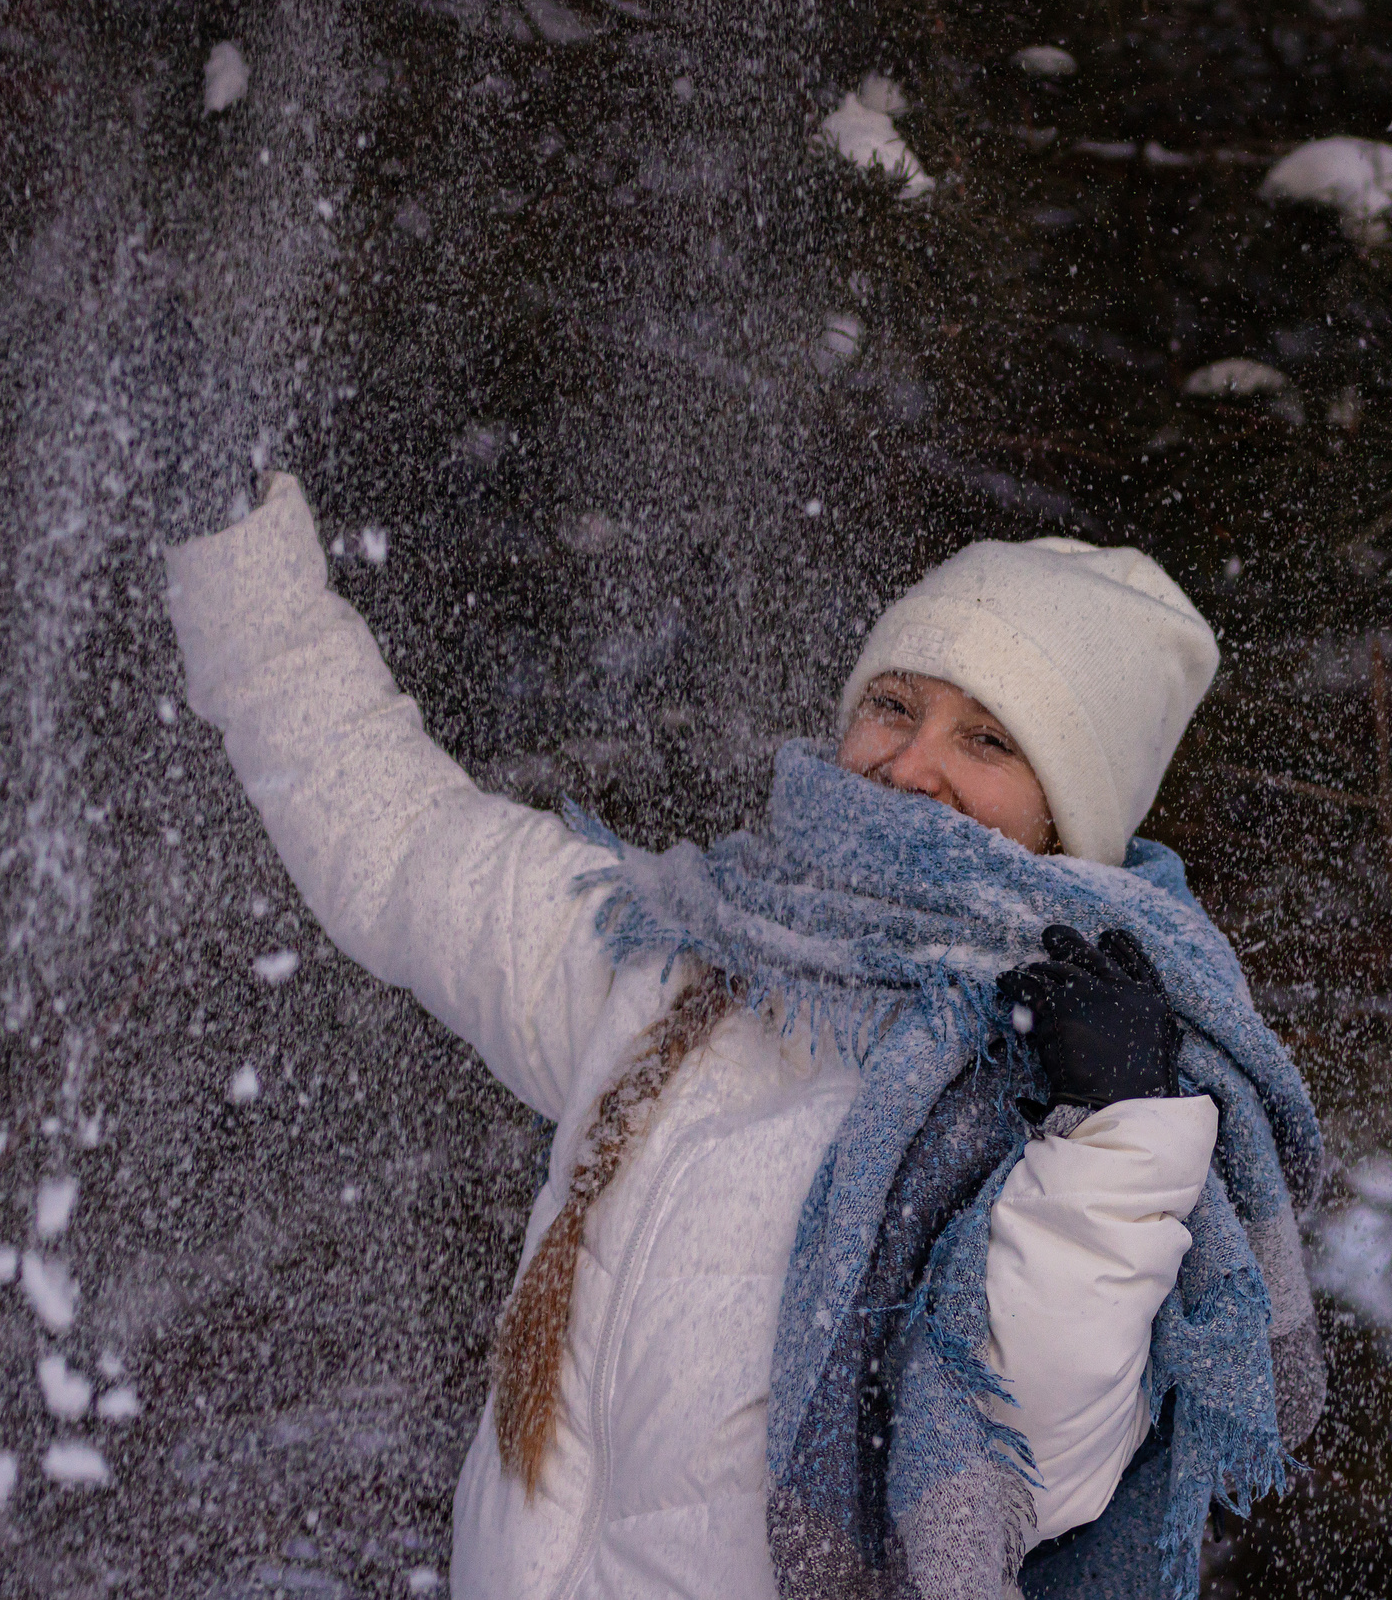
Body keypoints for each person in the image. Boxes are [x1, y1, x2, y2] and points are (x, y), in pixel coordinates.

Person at [164, 472, 1325, 1600]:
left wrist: (1113, 1141)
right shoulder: (683, 961)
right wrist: (231, 543)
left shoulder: (1079, 1065)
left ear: (1071, 809)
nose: (912, 765)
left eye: (988, 741)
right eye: (895, 705)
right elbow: (397, 834)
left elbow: (1031, 1460)